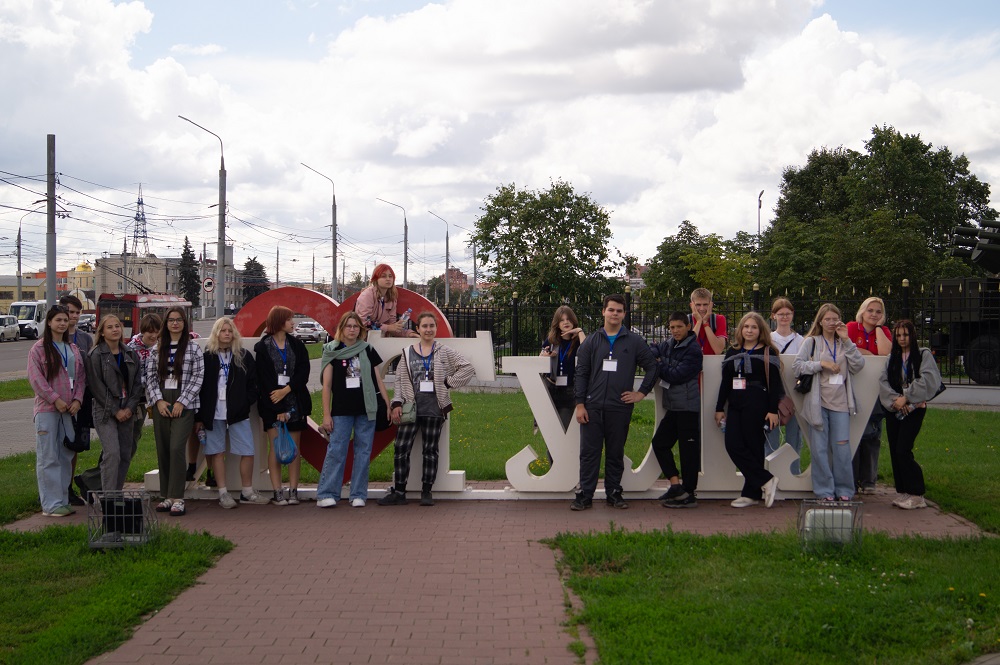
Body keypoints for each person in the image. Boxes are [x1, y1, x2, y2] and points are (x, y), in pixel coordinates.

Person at [570, 294, 658, 511]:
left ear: (624, 314)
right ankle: (585, 495)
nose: (615, 314)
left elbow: (653, 367)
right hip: (592, 407)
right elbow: (581, 373)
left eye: (619, 311)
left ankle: (614, 493)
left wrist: (641, 393)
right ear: (604, 312)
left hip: (620, 407)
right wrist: (580, 404)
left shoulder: (634, 341)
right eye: (611, 310)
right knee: (589, 453)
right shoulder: (592, 340)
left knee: (615, 452)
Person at [378, 312, 475, 507]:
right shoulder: (407, 352)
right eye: (424, 326)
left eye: (432, 326)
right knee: (401, 449)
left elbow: (467, 368)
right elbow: (399, 380)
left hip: (434, 409)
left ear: (435, 328)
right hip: (411, 409)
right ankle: (399, 491)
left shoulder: (444, 351)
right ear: (418, 329)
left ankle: (426, 491)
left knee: (430, 450)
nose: (428, 329)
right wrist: (396, 403)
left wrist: (448, 382)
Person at [316, 312, 391, 508]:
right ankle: (327, 493)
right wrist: (326, 414)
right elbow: (326, 386)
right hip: (341, 410)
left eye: (356, 326)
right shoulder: (331, 351)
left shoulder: (367, 350)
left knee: (363, 452)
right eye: (348, 326)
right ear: (342, 328)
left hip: (366, 409)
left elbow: (378, 379)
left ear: (361, 329)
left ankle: (358, 494)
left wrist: (387, 403)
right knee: (336, 451)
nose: (352, 329)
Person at [793, 304, 865, 501]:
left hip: (841, 403)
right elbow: (797, 367)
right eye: (828, 319)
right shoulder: (812, 342)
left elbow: (858, 365)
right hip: (818, 403)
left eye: (835, 319)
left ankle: (844, 490)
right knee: (819, 448)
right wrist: (821, 364)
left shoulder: (844, 343)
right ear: (821, 321)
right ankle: (824, 491)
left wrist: (847, 339)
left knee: (842, 447)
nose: (832, 323)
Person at [195, 317, 266, 509]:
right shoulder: (207, 357)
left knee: (247, 451)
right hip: (213, 414)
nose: (227, 334)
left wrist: (244, 403)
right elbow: (199, 387)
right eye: (223, 330)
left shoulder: (242, 356)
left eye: (230, 330)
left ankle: (247, 491)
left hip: (237, 413)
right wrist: (200, 416)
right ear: (216, 333)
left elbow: (254, 384)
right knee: (217, 452)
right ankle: (223, 493)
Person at [714, 312, 783, 508]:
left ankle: (751, 494)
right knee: (732, 443)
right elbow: (726, 382)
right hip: (735, 403)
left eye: (754, 327)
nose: (749, 330)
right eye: (746, 327)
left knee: (754, 446)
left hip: (758, 402)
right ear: (740, 330)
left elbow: (775, 385)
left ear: (761, 330)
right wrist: (719, 408)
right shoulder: (732, 351)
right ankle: (766, 480)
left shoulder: (769, 352)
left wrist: (772, 410)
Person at [27, 305, 86, 517]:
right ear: (49, 323)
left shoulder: (73, 349)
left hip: (70, 410)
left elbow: (80, 378)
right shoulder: (39, 349)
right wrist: (55, 399)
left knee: (65, 455)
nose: (62, 323)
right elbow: (37, 380)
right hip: (48, 410)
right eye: (58, 320)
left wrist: (78, 399)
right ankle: (50, 505)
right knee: (48, 456)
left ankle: (62, 499)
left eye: (65, 319)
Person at [878, 319, 942, 510]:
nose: (902, 339)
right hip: (895, 409)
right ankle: (904, 491)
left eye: (905, 335)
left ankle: (917, 494)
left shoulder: (923, 355)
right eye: (898, 335)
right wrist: (896, 401)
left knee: (903, 449)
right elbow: (883, 382)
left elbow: (929, 379)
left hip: (915, 409)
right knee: (894, 451)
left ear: (912, 335)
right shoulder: (892, 358)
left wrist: (907, 398)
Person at [146, 307, 203, 516]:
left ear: (184, 323)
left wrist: (182, 402)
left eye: (179, 320)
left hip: (184, 402)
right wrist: (158, 401)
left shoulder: (193, 348)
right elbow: (150, 377)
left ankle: (178, 497)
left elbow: (198, 377)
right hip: (162, 400)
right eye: (171, 320)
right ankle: (166, 496)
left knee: (177, 448)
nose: (175, 323)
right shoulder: (157, 348)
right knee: (163, 448)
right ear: (166, 323)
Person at [254, 306, 312, 506]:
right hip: (272, 405)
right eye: (289, 319)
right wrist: (278, 409)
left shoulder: (296, 344)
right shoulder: (263, 348)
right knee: (277, 447)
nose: (293, 322)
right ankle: (277, 491)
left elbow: (303, 372)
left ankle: (293, 490)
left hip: (294, 402)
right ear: (279, 321)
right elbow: (264, 379)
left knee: (294, 448)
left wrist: (287, 389)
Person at [650, 311, 703, 508]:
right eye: (672, 327)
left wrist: (660, 364)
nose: (675, 331)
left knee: (688, 453)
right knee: (660, 443)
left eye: (679, 326)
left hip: (688, 408)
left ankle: (689, 494)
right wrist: (658, 357)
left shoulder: (694, 350)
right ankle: (675, 485)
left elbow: (677, 375)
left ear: (688, 326)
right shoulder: (670, 344)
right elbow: (653, 349)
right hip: (673, 406)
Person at [85, 314, 142, 492]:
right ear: (101, 332)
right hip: (105, 412)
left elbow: (137, 384)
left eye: (117, 326)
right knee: (112, 454)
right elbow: (96, 386)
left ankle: (116, 495)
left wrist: (129, 408)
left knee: (125, 454)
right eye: (110, 327)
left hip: (127, 410)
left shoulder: (130, 353)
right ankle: (108, 499)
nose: (115, 330)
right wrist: (116, 410)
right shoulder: (95, 355)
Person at [848, 296, 892, 494]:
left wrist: (880, 329)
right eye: (870, 310)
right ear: (862, 311)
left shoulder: (884, 332)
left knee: (873, 433)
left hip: (875, 390)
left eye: (878, 311)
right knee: (853, 433)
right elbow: (848, 350)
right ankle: (852, 478)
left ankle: (869, 480)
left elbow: (885, 353)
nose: (874, 314)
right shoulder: (851, 328)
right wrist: (869, 354)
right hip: (853, 388)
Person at [765, 297, 805, 473]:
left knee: (794, 437)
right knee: (770, 437)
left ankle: (793, 473)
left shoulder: (801, 340)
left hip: (794, 393)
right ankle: (769, 473)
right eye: (780, 314)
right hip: (773, 393)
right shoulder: (768, 339)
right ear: (774, 316)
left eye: (788, 314)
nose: (784, 317)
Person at [60, 295, 92, 506]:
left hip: (80, 398)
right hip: (59, 400)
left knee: (74, 445)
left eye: (77, 312)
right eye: (70, 312)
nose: (73, 316)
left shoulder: (85, 339)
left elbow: (87, 371)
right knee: (57, 446)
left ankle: (69, 487)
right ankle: (56, 489)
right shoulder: (53, 337)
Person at [540, 305, 586, 431]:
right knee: (550, 429)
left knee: (563, 427)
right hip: (551, 387)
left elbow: (587, 351)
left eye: (568, 319)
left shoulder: (577, 341)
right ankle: (551, 452)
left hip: (569, 390)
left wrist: (580, 331)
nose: (566, 322)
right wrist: (544, 356)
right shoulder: (551, 340)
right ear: (557, 323)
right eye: (562, 320)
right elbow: (540, 358)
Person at [354, 264, 419, 338]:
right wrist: (388, 327)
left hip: (379, 341)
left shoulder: (391, 298)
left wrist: (408, 333)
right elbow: (364, 323)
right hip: (362, 340)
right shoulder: (367, 295)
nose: (388, 279)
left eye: (390, 276)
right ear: (375, 279)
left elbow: (392, 325)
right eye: (383, 276)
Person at [689, 287, 727, 355]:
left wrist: (705, 323)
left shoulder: (719, 319)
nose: (702, 308)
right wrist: (698, 322)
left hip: (712, 362)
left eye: (705, 304)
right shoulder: (686, 320)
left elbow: (718, 350)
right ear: (692, 305)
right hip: (691, 362)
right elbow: (686, 347)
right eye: (698, 305)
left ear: (711, 305)